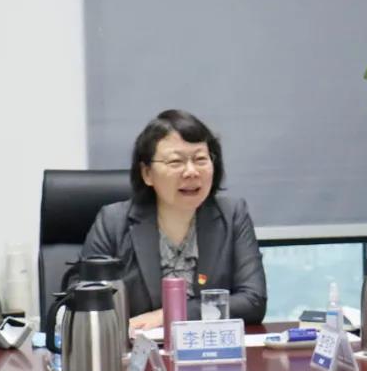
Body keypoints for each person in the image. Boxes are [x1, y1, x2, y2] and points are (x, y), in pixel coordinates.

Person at [83, 109, 267, 329]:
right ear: (147, 173)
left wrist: (169, 315)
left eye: (200, 159)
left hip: (208, 346)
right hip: (137, 347)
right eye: (175, 162)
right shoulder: (113, 222)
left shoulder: (233, 214)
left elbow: (253, 301)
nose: (191, 172)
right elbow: (85, 300)